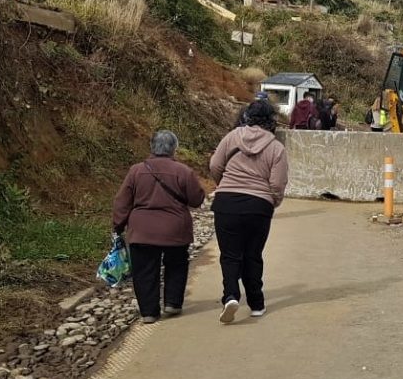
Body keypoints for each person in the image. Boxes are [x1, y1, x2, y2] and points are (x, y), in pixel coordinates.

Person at [113, 130, 205, 324]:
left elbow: (122, 201)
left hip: (142, 230)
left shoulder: (136, 171)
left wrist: (118, 225)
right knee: (177, 264)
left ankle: (149, 312)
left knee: (145, 270)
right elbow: (197, 200)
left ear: (151, 147)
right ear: (174, 149)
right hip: (175, 229)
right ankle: (172, 303)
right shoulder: (184, 171)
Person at [209, 101, 289, 323]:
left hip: (227, 203)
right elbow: (278, 183)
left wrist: (224, 184)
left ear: (247, 117)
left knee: (230, 254)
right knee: (252, 255)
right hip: (259, 206)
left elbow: (215, 165)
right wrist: (271, 201)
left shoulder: (231, 137)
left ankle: (231, 296)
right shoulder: (277, 148)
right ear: (271, 120)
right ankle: (256, 304)